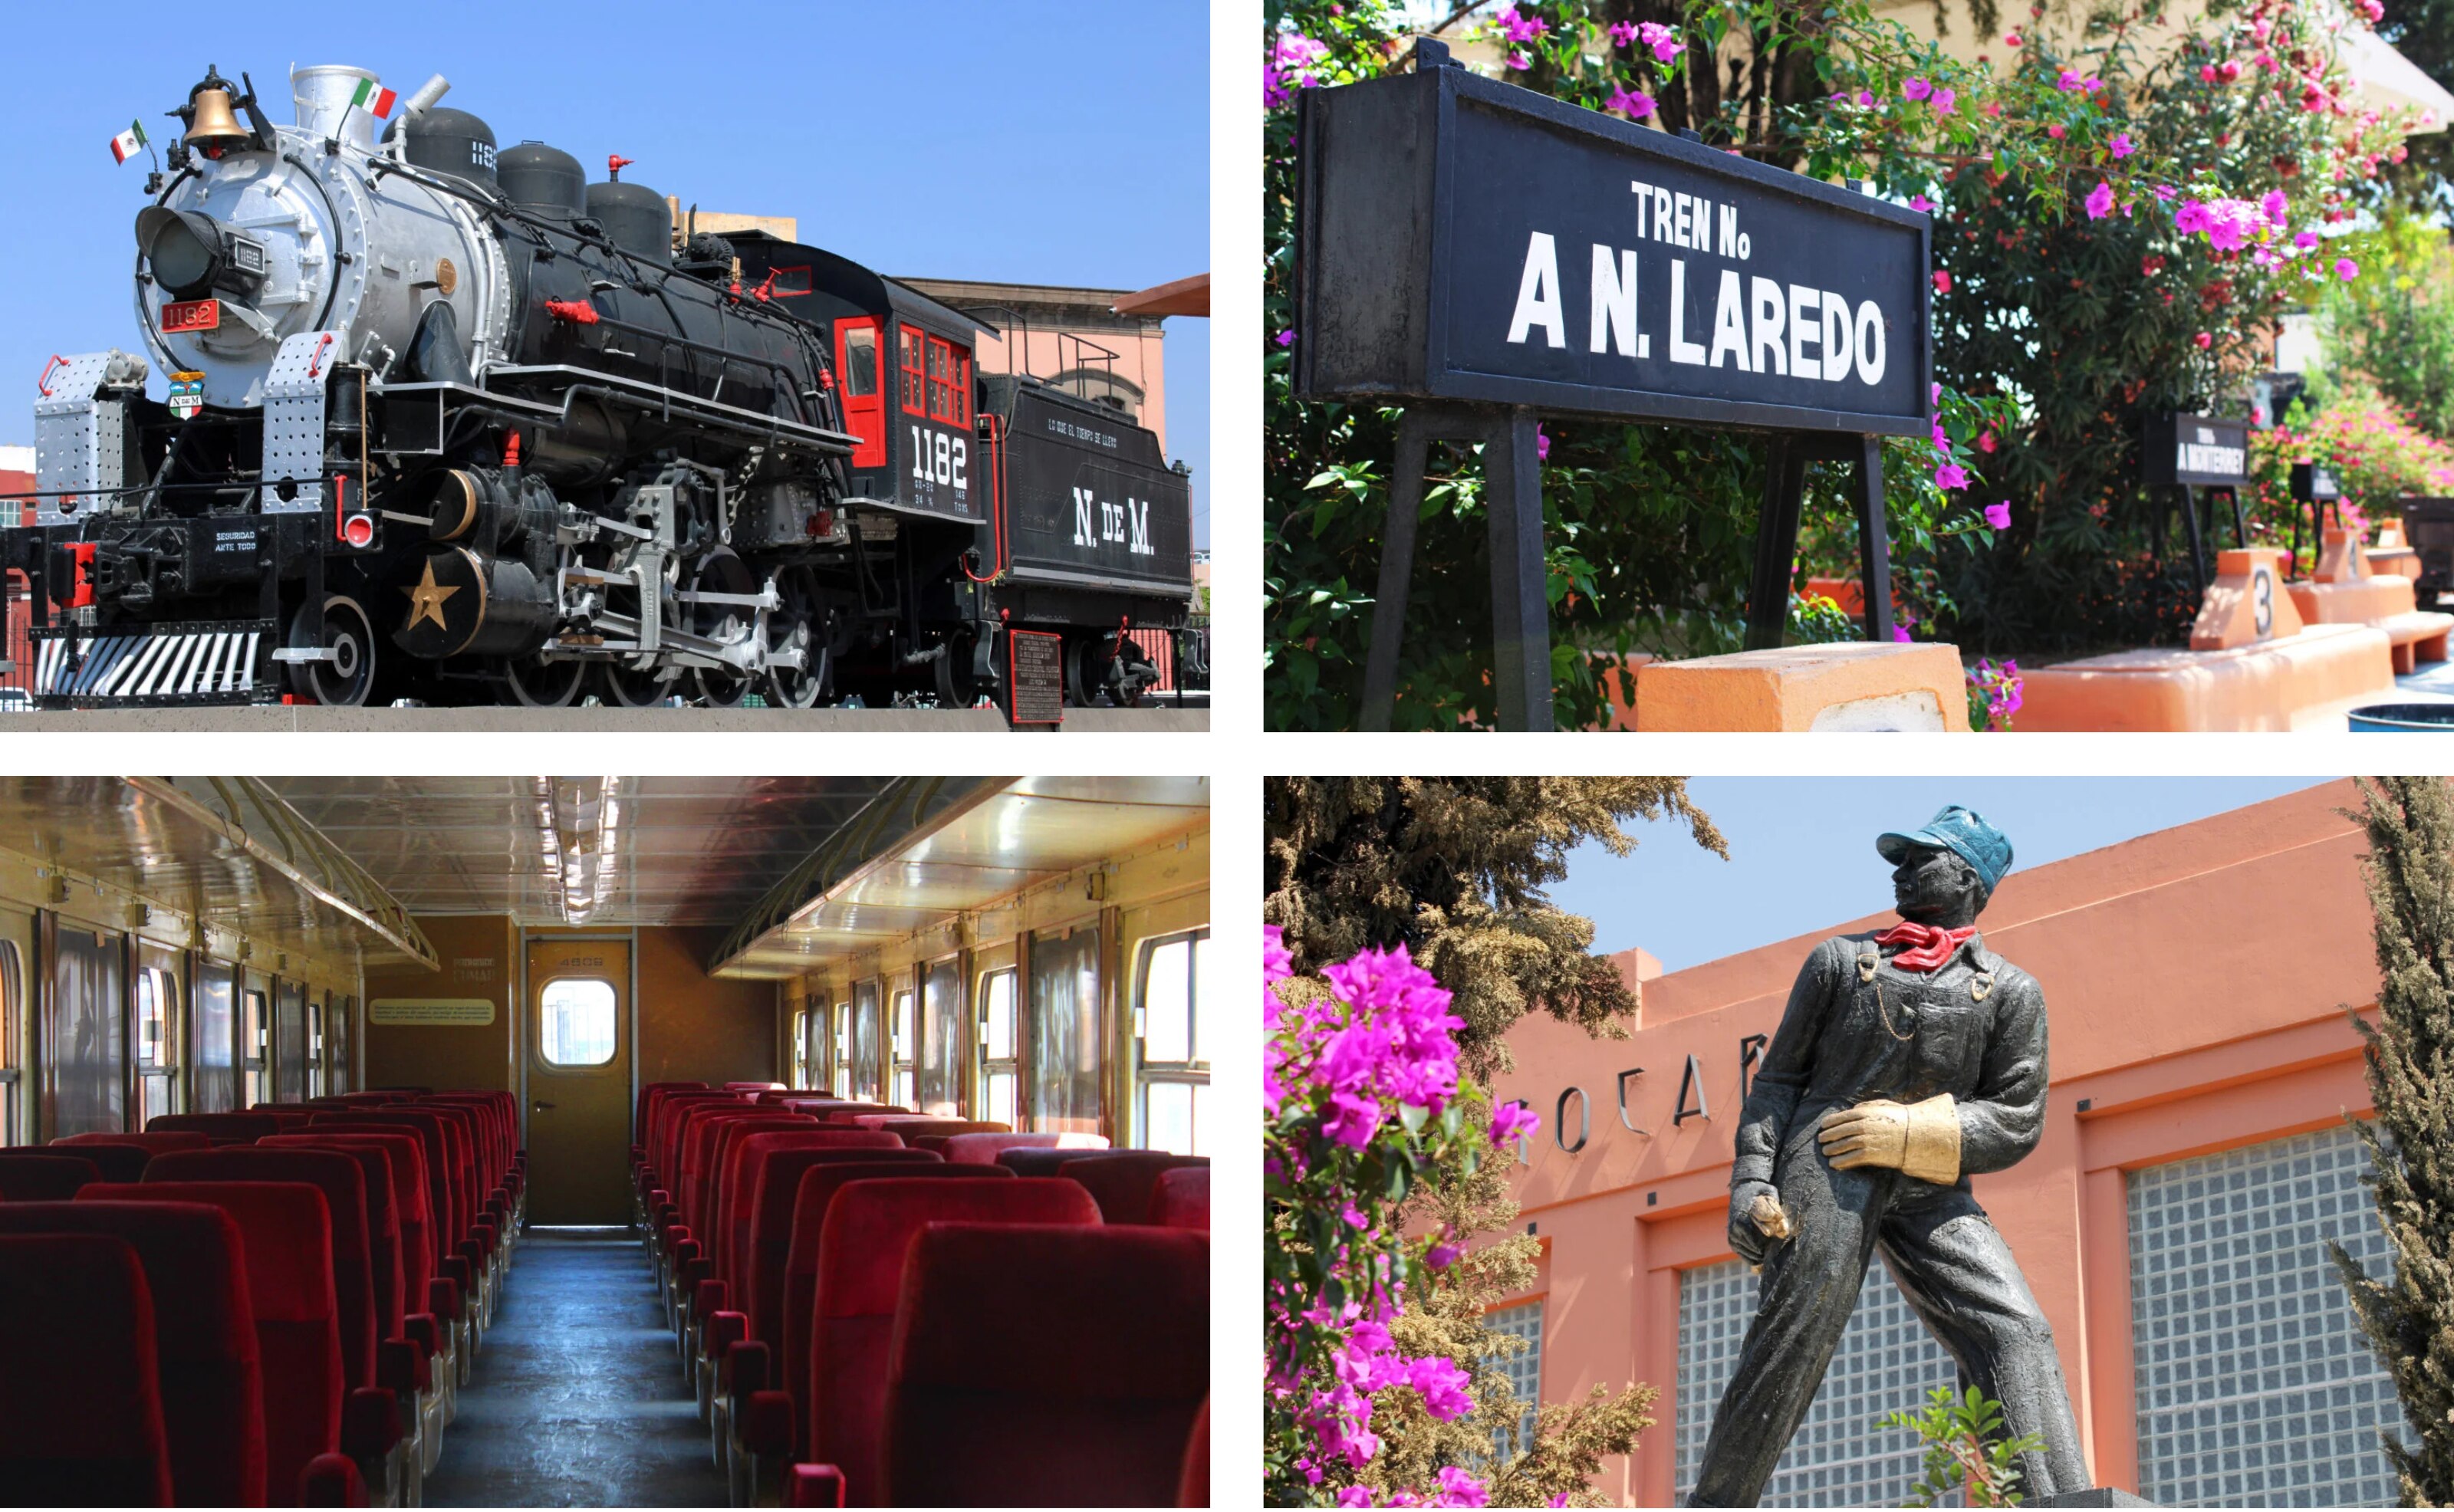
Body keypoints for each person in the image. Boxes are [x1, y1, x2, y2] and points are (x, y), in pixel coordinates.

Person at [1686, 805, 2089, 1507]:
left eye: (1919, 858)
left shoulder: (2012, 993)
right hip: (1828, 1162)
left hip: (1931, 1185)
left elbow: (2018, 1119)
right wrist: (1754, 1177)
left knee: (2014, 1326)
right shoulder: (1840, 963)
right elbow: (1778, 1081)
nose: (1900, 870)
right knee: (1794, 1338)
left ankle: (2056, 1501)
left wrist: (1909, 1135)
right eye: (1899, 859)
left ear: (1968, 876)